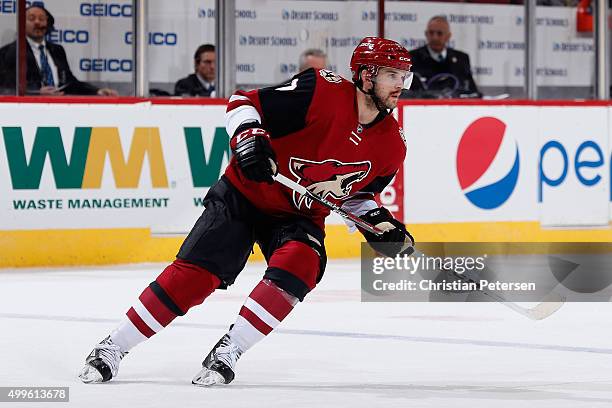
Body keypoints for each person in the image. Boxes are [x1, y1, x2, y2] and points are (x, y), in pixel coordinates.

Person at [78, 36, 415, 387]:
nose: (400, 85)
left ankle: (229, 350)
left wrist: (381, 224)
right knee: (194, 277)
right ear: (365, 75)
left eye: (404, 76)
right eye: (392, 75)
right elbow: (242, 102)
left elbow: (359, 197)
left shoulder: (392, 143)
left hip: (299, 216)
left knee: (302, 264)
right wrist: (250, 139)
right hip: (244, 195)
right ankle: (113, 347)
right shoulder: (321, 91)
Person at [0, 3, 117, 96]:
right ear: (21, 24)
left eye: (41, 19)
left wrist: (96, 91)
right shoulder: (10, 52)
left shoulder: (57, 50)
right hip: (29, 110)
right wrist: (37, 93)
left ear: (47, 24)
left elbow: (70, 83)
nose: (37, 22)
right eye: (31, 18)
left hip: (59, 108)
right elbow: (7, 87)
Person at [408, 15, 480, 97]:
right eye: (431, 33)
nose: (435, 37)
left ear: (448, 36)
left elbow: (473, 91)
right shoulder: (412, 58)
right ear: (426, 34)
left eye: (439, 33)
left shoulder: (461, 59)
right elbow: (405, 93)